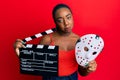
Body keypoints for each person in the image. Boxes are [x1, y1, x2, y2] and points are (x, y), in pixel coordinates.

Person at [14, 4, 97, 80]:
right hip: (51, 78)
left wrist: (88, 69)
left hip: (72, 77)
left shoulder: (80, 41)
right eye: (60, 20)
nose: (66, 23)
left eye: (68, 17)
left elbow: (82, 72)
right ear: (55, 22)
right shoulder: (47, 39)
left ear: (72, 17)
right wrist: (19, 51)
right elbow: (34, 63)